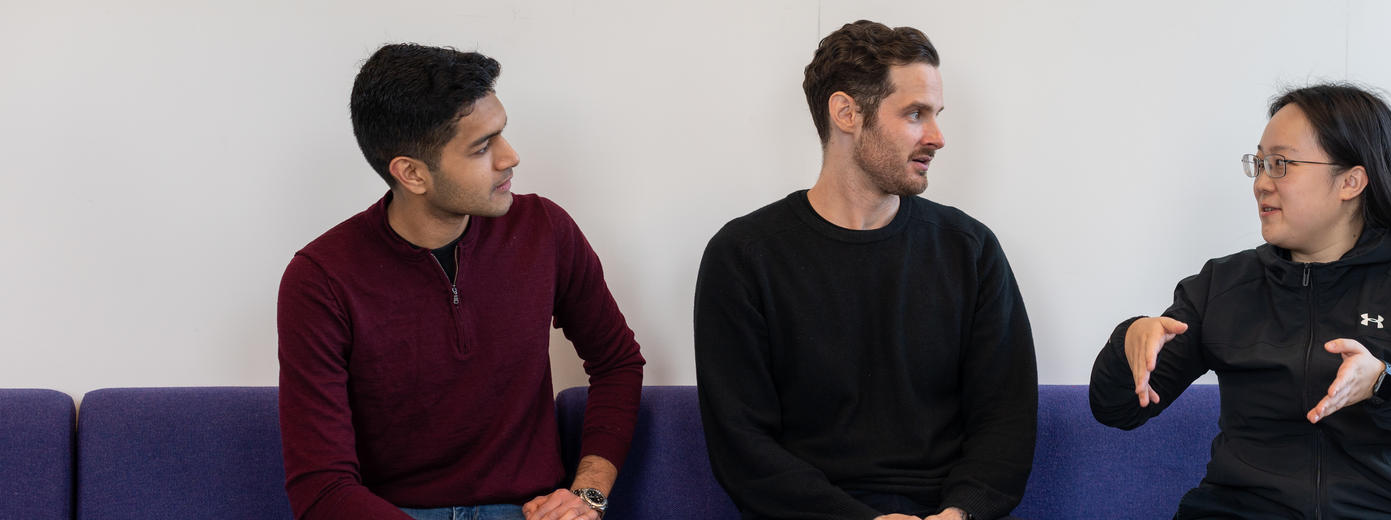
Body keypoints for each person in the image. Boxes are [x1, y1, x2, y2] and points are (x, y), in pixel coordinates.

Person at [1088, 83, 1391, 519]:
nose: (1261, 184)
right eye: (1260, 164)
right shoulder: (1225, 283)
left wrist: (1386, 385)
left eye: (1281, 164)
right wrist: (1131, 339)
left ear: (1350, 181)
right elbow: (1115, 408)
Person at [277, 43, 645, 520]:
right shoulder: (320, 279)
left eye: (502, 134)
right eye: (482, 146)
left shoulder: (545, 230)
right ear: (411, 173)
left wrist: (588, 494)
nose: (510, 157)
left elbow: (617, 362)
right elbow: (321, 489)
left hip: (528, 511)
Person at [693, 20, 1037, 520]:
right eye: (916, 114)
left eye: (936, 115)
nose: (938, 137)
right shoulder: (744, 256)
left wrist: (962, 512)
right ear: (847, 112)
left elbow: (1007, 420)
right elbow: (742, 444)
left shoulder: (970, 250)